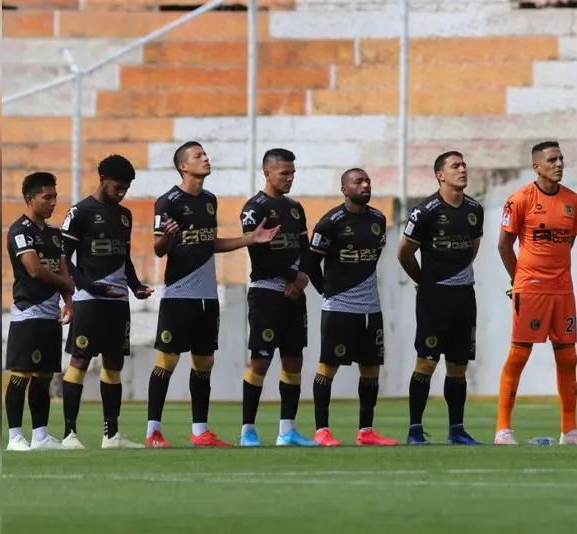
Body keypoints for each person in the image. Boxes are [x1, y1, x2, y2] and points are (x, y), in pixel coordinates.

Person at [145, 141, 278, 448]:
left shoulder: (209, 201)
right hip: (179, 296)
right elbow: (158, 249)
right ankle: (153, 431)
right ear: (183, 166)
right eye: (198, 156)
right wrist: (167, 238)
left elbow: (210, 243)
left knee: (204, 363)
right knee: (167, 361)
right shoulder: (167, 202)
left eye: (205, 154)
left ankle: (200, 431)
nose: (206, 158)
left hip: (207, 297)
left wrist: (250, 238)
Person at [494, 141, 577, 445]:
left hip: (563, 291)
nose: (559, 164)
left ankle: (569, 431)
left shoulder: (573, 201)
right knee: (519, 355)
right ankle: (503, 429)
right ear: (536, 166)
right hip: (531, 290)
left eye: (561, 158)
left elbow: (568, 243)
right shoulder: (520, 200)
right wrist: (521, 282)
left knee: (568, 359)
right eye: (552, 159)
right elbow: (504, 245)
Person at [61, 155, 152, 449]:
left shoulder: (124, 215)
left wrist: (136, 285)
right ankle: (69, 435)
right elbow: (63, 259)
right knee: (79, 361)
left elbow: (123, 257)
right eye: (117, 187)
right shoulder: (80, 212)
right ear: (102, 179)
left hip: (118, 301)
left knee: (114, 364)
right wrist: (87, 287)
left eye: (125, 188)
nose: (121, 193)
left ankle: (111, 435)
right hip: (88, 300)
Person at [397, 151, 483, 445]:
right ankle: (415, 429)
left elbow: (472, 246)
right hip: (435, 297)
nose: (462, 169)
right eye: (455, 166)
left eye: (464, 164)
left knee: (459, 364)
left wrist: (458, 273)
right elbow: (404, 253)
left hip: (464, 296)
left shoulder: (474, 209)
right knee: (426, 362)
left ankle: (456, 430)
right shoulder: (426, 211)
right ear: (440, 175)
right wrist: (424, 281)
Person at [307, 168, 397, 446]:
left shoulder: (378, 220)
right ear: (344, 189)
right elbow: (311, 263)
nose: (365, 185)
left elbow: (373, 257)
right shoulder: (330, 222)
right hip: (339, 307)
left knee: (371, 367)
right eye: (358, 182)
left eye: (368, 181)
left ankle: (366, 431)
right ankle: (321, 429)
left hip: (371, 307)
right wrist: (326, 291)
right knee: (328, 366)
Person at [237, 148, 316, 447]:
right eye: (284, 173)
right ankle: (248, 430)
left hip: (294, 293)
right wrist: (293, 276)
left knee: (294, 359)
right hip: (267, 292)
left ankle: (287, 430)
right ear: (267, 172)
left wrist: (302, 279)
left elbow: (305, 249)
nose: (289, 178)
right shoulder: (254, 208)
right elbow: (259, 255)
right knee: (261, 359)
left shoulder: (295, 208)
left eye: (292, 173)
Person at [4, 172, 73, 451]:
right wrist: (66, 283)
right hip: (28, 312)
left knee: (44, 377)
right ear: (29, 199)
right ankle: (14, 437)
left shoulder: (55, 234)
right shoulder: (20, 231)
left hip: (50, 314)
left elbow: (62, 269)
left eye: (55, 197)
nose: (52, 202)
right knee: (21, 375)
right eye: (47, 197)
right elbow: (33, 269)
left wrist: (70, 300)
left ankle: (41, 436)